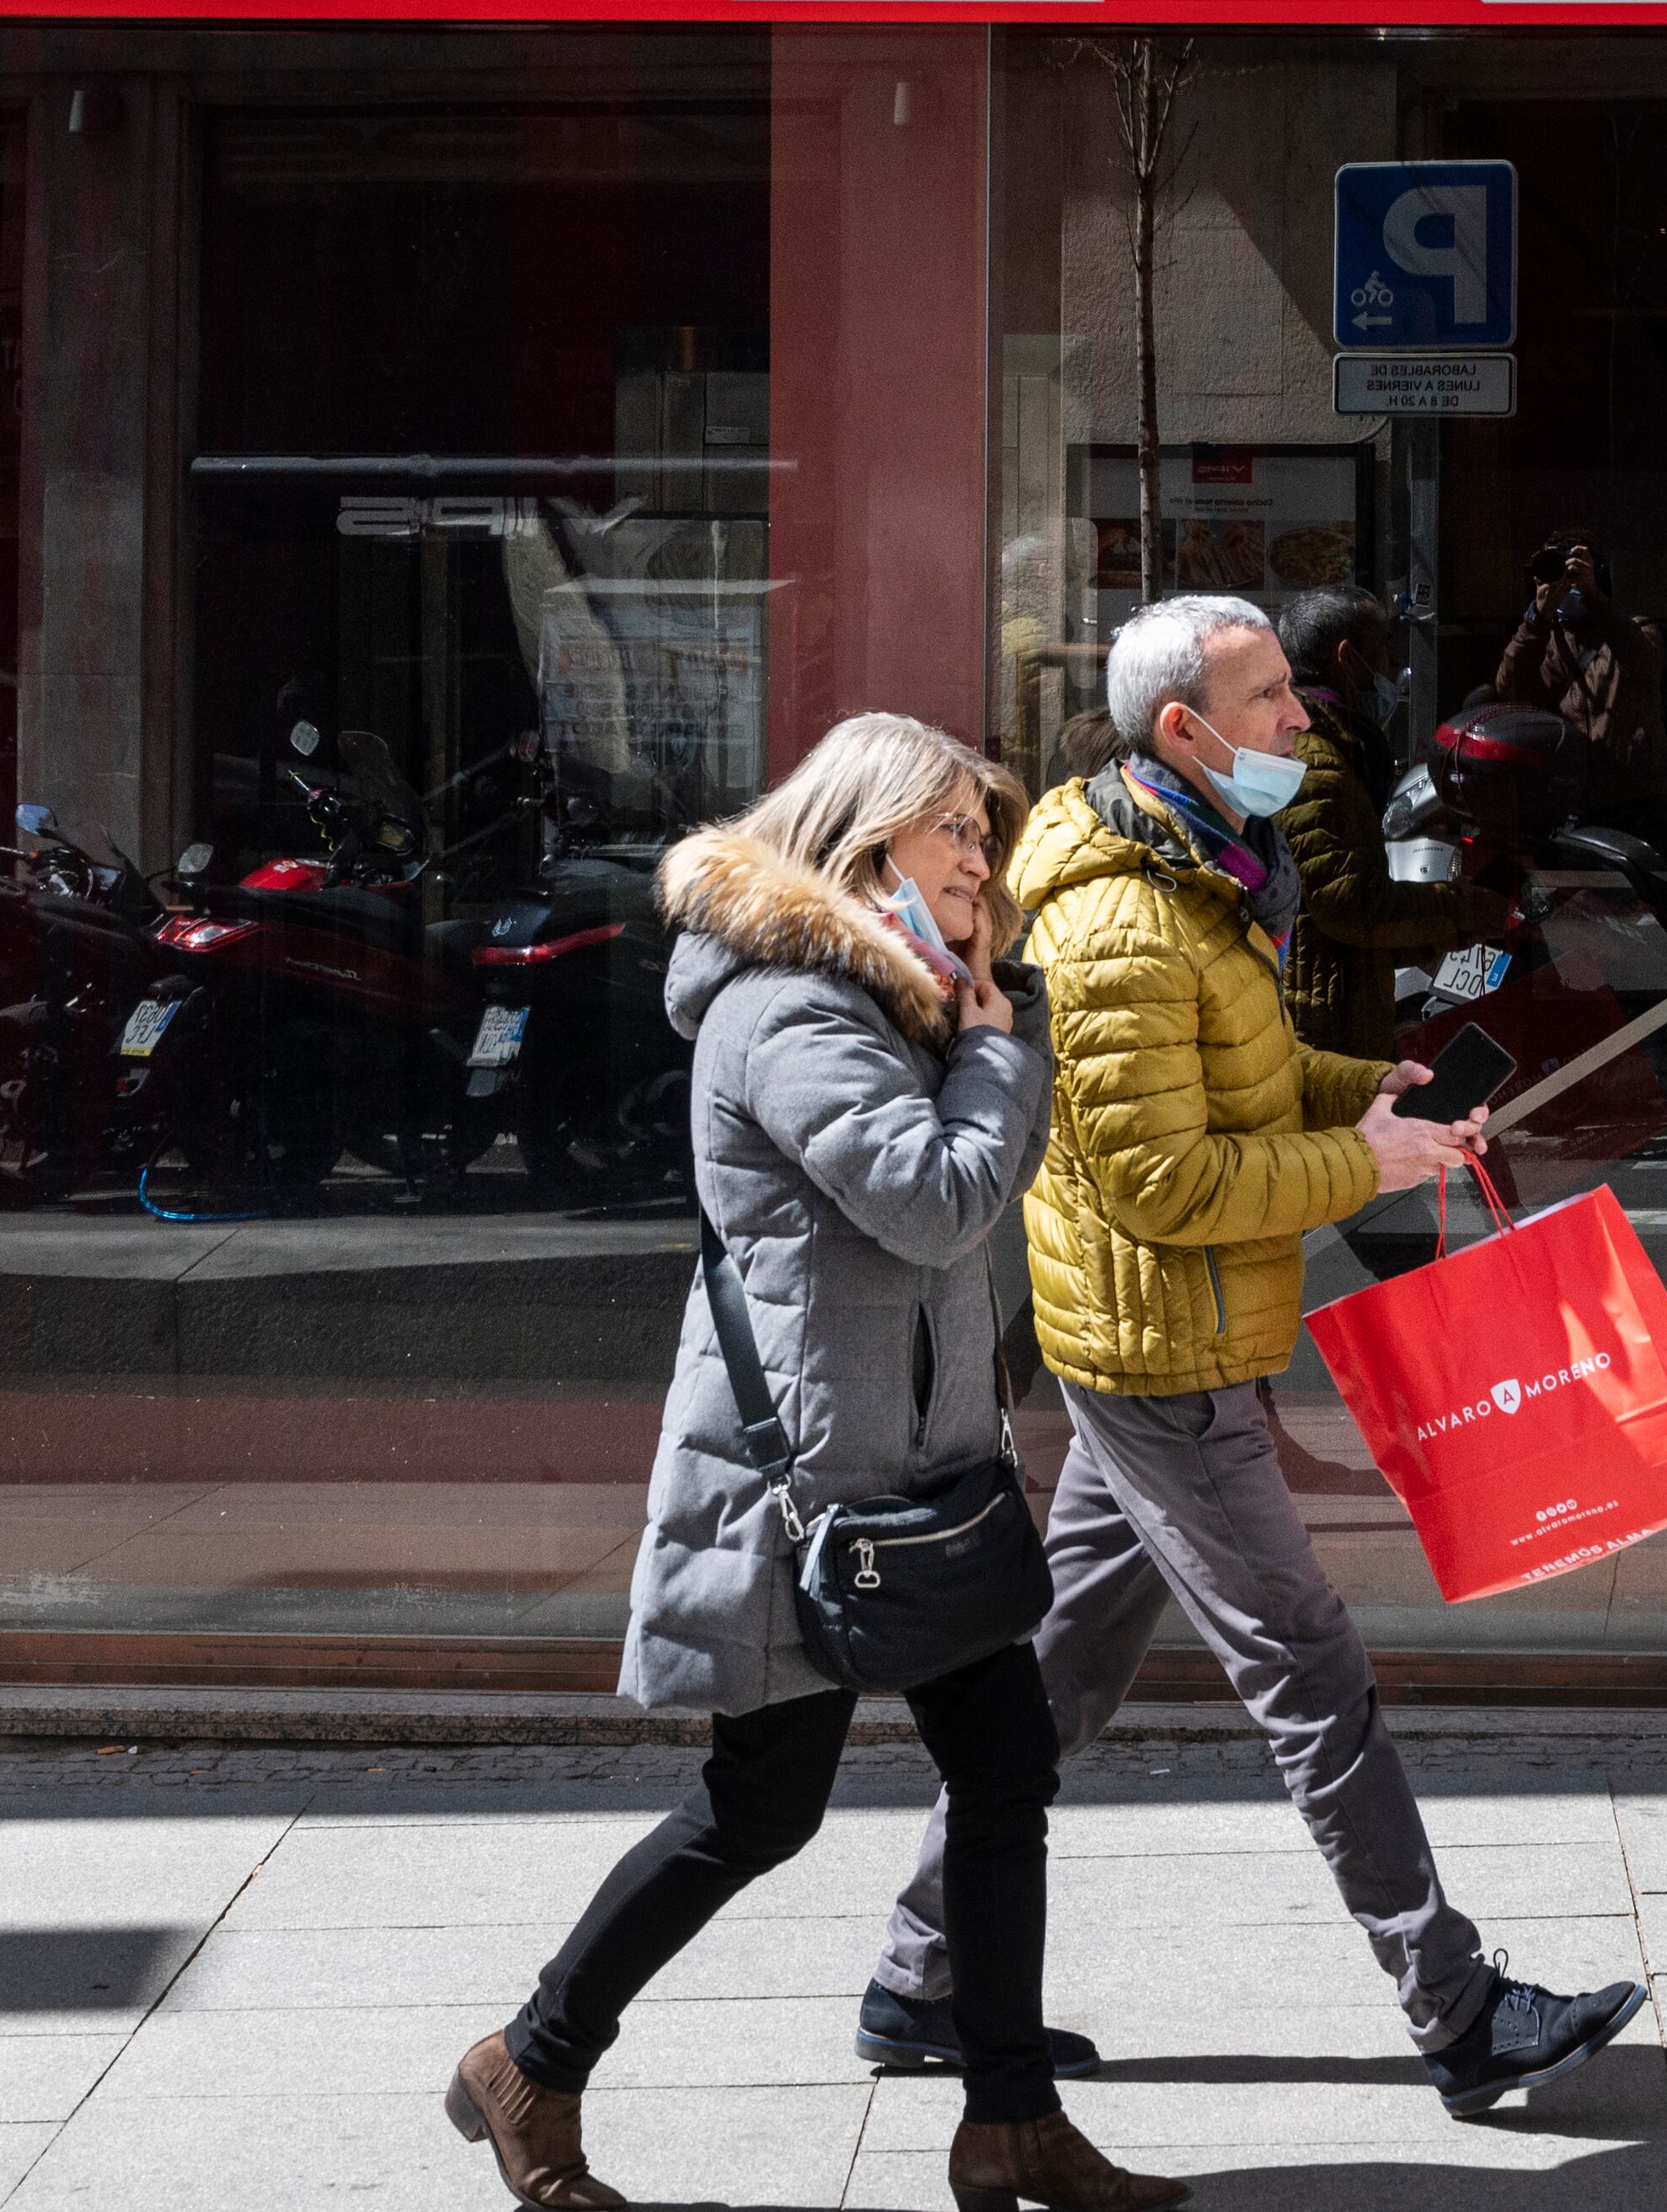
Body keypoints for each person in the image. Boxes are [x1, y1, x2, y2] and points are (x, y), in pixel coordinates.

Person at [861, 595, 1652, 2123]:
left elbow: (1258, 1072)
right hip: (1161, 1351)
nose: (1301, 718)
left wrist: (1382, 1086)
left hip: (1162, 1338)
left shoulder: (1208, 870)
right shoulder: (1117, 926)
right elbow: (1166, 1184)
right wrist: (1362, 1164)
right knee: (1311, 1671)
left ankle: (918, 1975)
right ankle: (1461, 2005)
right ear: (1184, 729)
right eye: (1270, 694)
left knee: (1060, 1676)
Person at [449, 714, 1183, 2212]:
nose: (984, 857)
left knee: (1003, 1760)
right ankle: (530, 2057)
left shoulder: (898, 1001)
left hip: (913, 1472)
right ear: (865, 849)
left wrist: (989, 1028)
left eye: (986, 832)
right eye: (955, 833)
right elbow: (937, 1202)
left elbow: (973, 1181)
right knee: (759, 1806)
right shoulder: (793, 1015)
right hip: (810, 1490)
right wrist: (994, 1044)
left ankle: (1013, 2119)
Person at [1273, 584, 1512, 1065]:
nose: (1391, 666)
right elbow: (1349, 903)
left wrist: (1451, 928)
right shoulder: (1315, 761)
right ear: (1347, 657)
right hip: (1321, 1027)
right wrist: (1457, 908)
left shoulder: (1331, 747)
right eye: (1383, 647)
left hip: (1337, 1004)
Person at [1491, 529, 1667, 808]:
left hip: (1633, 794)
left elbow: (1643, 663)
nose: (1565, 581)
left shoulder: (1637, 629)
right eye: (1556, 571)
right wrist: (1536, 619)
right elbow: (1510, 690)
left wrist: (1592, 596)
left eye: (1572, 570)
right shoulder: (1544, 643)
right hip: (1569, 793)